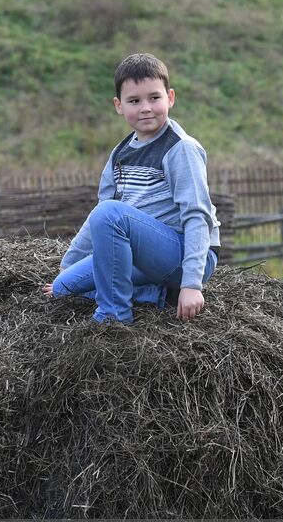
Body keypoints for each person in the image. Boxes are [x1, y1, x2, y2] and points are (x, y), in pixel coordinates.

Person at [43, 53, 220, 323]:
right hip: (142, 255)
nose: (146, 108)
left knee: (112, 213)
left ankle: (114, 316)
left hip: (184, 254)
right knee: (63, 288)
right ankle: (155, 295)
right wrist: (69, 264)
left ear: (170, 98)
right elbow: (99, 215)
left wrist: (191, 284)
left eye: (154, 98)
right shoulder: (120, 154)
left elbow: (198, 216)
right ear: (118, 105)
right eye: (134, 101)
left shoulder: (180, 148)